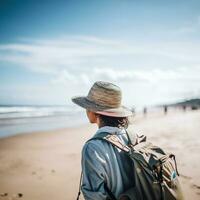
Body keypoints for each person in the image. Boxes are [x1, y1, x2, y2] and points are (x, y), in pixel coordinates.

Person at [71, 81, 135, 200]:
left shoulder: (93, 148)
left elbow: (94, 196)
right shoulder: (132, 137)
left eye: (87, 106)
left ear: (95, 111)